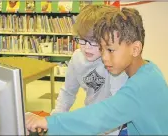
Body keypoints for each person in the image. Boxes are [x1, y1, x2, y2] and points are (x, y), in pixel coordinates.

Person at [25, 7, 168, 135]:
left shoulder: (138, 88)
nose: (104, 58)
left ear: (135, 49)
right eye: (102, 48)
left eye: (110, 50)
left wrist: (48, 122)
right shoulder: (149, 70)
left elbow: (102, 115)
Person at [27, 5, 128, 135]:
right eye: (82, 40)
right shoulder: (77, 58)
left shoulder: (114, 61)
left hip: (117, 126)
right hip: (94, 118)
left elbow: (117, 105)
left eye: (94, 42)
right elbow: (68, 92)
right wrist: (53, 121)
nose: (86, 48)